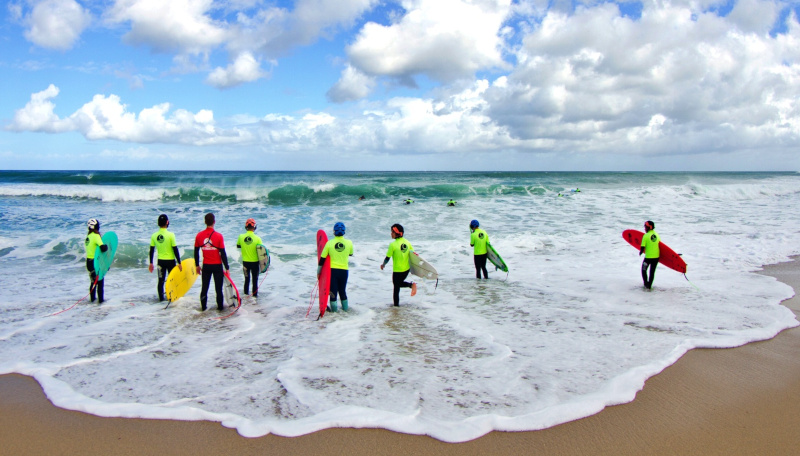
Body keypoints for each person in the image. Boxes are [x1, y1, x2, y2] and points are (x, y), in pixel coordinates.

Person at [194, 213, 230, 311]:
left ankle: (203, 309)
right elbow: (223, 253)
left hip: (206, 266)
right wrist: (227, 268)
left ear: (205, 222)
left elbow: (196, 251)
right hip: (217, 266)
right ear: (214, 222)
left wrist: (197, 265)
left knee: (204, 289)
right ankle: (220, 309)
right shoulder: (219, 236)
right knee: (218, 290)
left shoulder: (199, 235)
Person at [318, 222, 354, 312]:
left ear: (334, 231)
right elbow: (351, 253)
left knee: (333, 292)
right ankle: (345, 311)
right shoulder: (349, 243)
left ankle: (334, 313)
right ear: (344, 232)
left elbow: (322, 259)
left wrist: (318, 272)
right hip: (344, 271)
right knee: (342, 291)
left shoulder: (329, 243)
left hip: (332, 271)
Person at [380, 224, 417, 306]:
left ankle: (396, 306)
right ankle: (410, 285)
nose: (391, 234)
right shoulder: (407, 242)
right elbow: (413, 255)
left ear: (396, 233)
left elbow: (387, 258)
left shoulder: (393, 245)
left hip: (397, 270)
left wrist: (383, 265)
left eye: (392, 232)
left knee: (396, 288)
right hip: (406, 270)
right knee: (398, 285)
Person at [148, 214, 182, 302]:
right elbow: (175, 249)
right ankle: (173, 298)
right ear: (167, 222)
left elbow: (151, 250)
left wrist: (151, 263)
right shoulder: (171, 235)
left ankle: (161, 300)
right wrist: (179, 262)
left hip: (160, 262)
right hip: (171, 262)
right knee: (172, 281)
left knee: (161, 281)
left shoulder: (154, 235)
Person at [236, 218, 263, 298]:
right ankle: (255, 298)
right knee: (255, 281)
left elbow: (238, 246)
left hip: (245, 262)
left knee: (246, 280)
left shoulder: (241, 237)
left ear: (246, 227)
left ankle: (246, 298)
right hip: (255, 262)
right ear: (255, 227)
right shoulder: (258, 238)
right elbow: (261, 252)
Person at [85, 218, 108, 303]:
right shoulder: (96, 236)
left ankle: (92, 301)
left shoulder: (88, 237)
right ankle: (100, 302)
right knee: (100, 283)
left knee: (93, 282)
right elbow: (102, 248)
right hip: (95, 263)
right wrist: (107, 247)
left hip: (89, 262)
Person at [639, 220, 660, 290]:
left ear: (649, 227)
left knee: (643, 270)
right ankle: (649, 286)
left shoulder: (645, 236)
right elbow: (660, 246)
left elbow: (642, 248)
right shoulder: (657, 235)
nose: (644, 228)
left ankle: (645, 284)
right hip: (656, 257)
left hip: (648, 258)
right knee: (652, 272)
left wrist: (640, 252)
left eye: (645, 227)